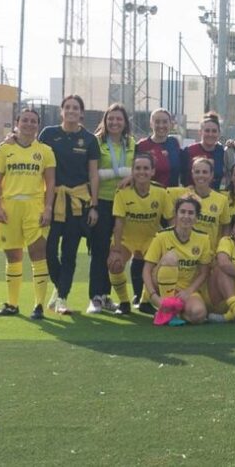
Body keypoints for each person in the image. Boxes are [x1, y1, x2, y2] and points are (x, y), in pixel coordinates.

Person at [38, 95, 100, 316]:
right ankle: (59, 287)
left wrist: (93, 205)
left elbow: (93, 174)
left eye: (76, 108)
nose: (72, 111)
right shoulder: (48, 134)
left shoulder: (89, 139)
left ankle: (62, 297)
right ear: (61, 111)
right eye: (68, 107)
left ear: (81, 113)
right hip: (52, 201)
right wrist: (11, 138)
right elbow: (35, 155)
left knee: (70, 253)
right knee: (48, 249)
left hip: (77, 203)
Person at [0, 108, 56, 319]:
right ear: (17, 123)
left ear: (38, 125)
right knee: (13, 255)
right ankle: (12, 304)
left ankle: (38, 305)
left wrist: (48, 208)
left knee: (38, 254)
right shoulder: (4, 149)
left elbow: (51, 182)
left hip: (34, 207)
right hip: (9, 207)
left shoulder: (45, 151)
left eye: (33, 121)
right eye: (25, 120)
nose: (29, 124)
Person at [108, 152, 172, 315]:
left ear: (152, 171)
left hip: (150, 239)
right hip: (127, 239)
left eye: (145, 168)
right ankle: (124, 303)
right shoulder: (122, 191)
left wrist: (171, 244)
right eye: (137, 168)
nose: (141, 172)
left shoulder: (161, 192)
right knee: (114, 264)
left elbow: (171, 219)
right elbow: (119, 222)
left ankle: (145, 301)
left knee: (161, 268)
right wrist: (115, 249)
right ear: (132, 171)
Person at [88, 103, 135, 315]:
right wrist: (94, 205)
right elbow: (93, 175)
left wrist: (132, 176)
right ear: (105, 121)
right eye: (111, 119)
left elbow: (141, 168)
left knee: (118, 250)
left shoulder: (132, 143)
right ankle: (96, 297)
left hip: (125, 205)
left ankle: (109, 296)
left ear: (125, 123)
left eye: (119, 119)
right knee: (99, 249)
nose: (115, 122)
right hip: (104, 203)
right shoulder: (96, 143)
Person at [142, 196, 212, 325]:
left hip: (185, 290)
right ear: (176, 214)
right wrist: (153, 296)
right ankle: (166, 307)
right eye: (183, 212)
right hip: (160, 288)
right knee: (170, 258)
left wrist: (189, 291)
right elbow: (146, 269)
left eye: (191, 213)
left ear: (197, 217)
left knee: (198, 314)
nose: (186, 216)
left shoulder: (203, 239)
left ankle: (177, 312)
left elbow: (204, 272)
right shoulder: (162, 236)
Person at [170, 157, 230, 251]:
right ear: (192, 174)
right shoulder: (180, 194)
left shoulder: (222, 200)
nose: (201, 175)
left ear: (211, 175)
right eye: (197, 172)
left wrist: (222, 250)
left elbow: (226, 226)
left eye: (205, 172)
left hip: (209, 253)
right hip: (183, 252)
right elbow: (160, 193)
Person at [137, 108, 182, 188]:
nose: (161, 125)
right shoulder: (142, 145)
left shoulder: (174, 142)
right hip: (150, 195)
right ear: (151, 124)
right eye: (157, 122)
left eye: (165, 122)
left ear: (170, 124)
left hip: (171, 195)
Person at [181, 112, 225, 190]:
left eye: (214, 131)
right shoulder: (189, 151)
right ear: (200, 132)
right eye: (207, 131)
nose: (210, 134)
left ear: (219, 133)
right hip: (193, 197)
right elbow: (183, 179)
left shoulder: (221, 151)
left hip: (214, 198)